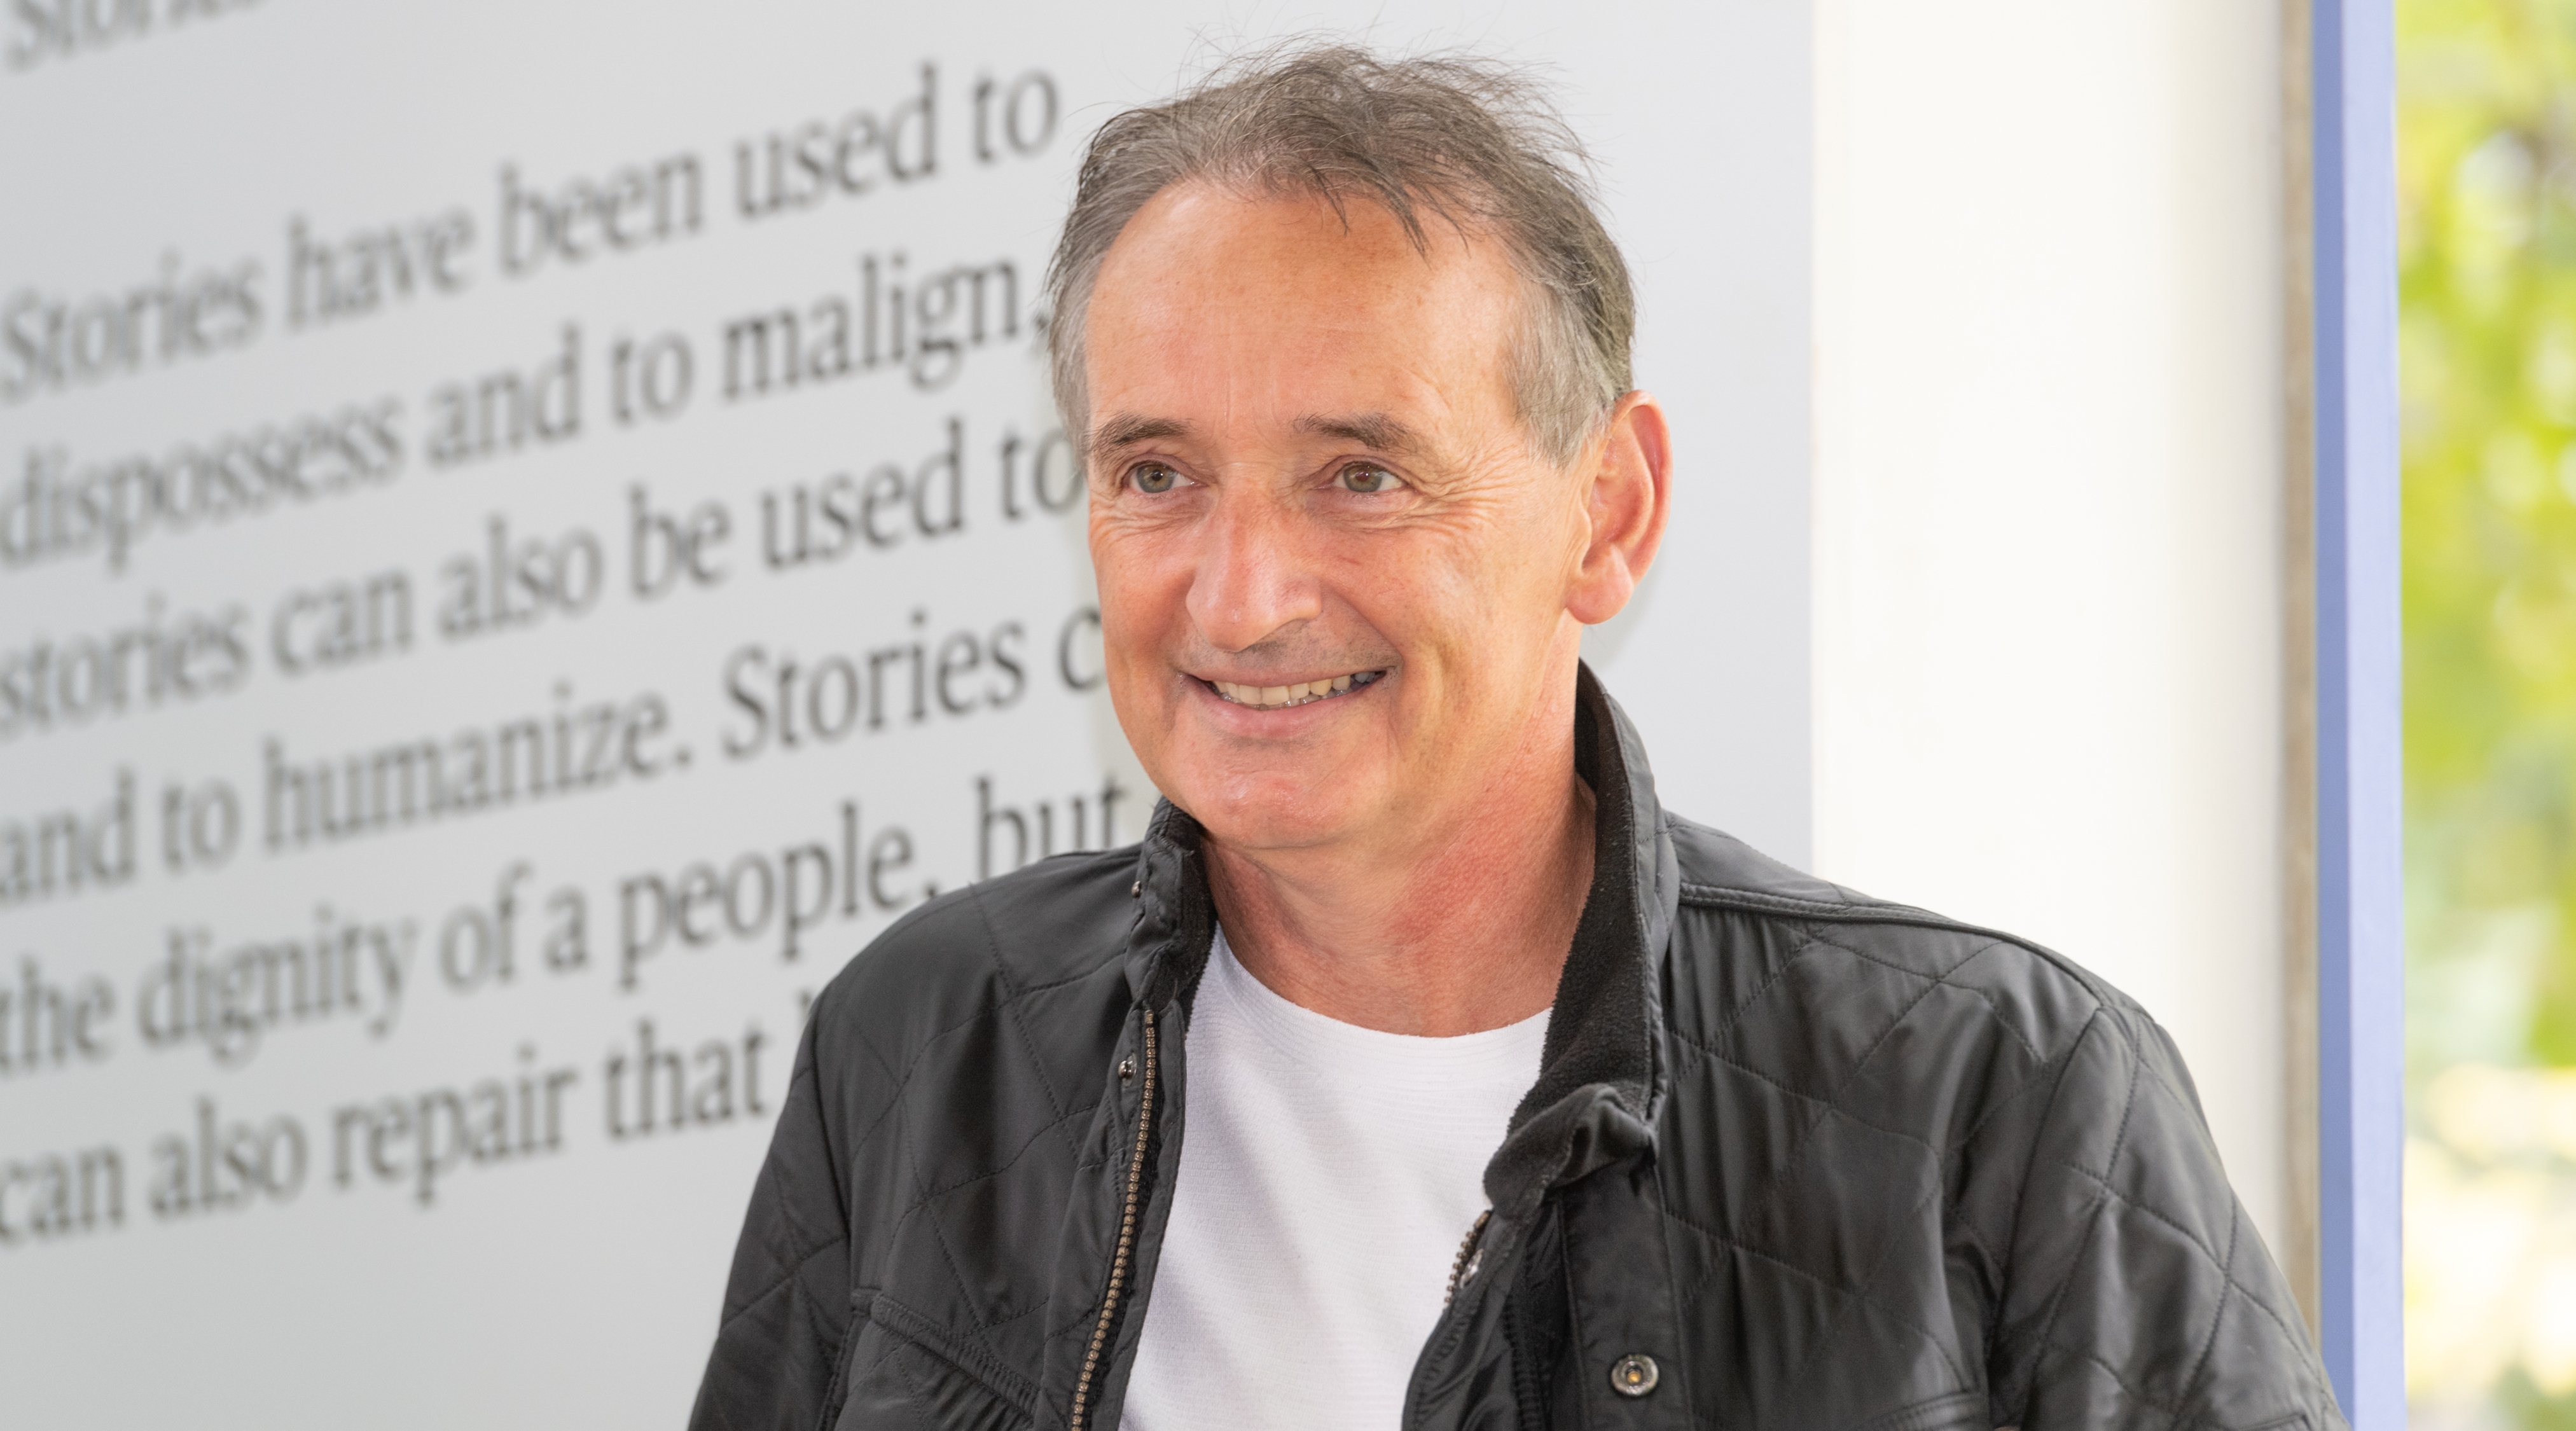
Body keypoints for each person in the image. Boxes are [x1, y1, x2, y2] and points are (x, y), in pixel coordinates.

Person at [689, 45, 2343, 1431]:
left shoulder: (1998, 1094)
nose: (1244, 596)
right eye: (1156, 475)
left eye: (1360, 473)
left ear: (1606, 513)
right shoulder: (923, 1046)